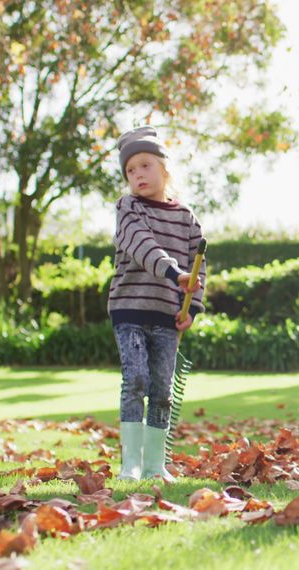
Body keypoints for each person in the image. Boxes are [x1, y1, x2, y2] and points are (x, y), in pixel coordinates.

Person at [108, 126, 206, 482]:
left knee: (162, 389)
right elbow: (141, 244)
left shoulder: (186, 218)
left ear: (165, 169)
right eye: (130, 170)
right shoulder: (128, 207)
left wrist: (192, 307)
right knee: (135, 379)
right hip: (129, 310)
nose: (137, 175)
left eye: (145, 166)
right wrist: (172, 272)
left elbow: (200, 268)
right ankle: (130, 463)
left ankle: (154, 465)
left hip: (167, 315)